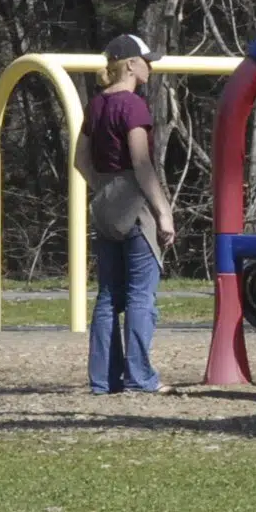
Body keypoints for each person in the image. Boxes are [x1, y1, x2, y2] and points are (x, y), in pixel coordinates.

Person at [77, 33, 175, 394]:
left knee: (107, 296)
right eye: (146, 60)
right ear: (130, 65)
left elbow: (80, 159)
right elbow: (141, 163)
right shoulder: (133, 106)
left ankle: (103, 380)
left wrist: (103, 187)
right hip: (133, 205)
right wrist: (163, 212)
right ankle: (140, 377)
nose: (150, 66)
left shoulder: (97, 104)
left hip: (104, 204)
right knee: (139, 296)